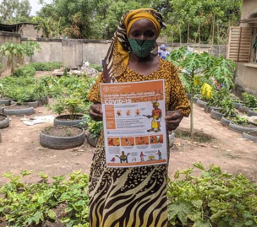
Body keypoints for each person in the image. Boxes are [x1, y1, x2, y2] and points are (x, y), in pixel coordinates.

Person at [87, 8, 190, 226]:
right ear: (127, 35)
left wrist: (176, 116)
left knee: (148, 205)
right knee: (114, 202)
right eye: (136, 34)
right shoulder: (114, 69)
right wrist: (96, 110)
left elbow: (181, 105)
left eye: (149, 34)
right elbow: (96, 101)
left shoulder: (167, 70)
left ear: (156, 36)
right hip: (115, 155)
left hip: (151, 157)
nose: (142, 39)